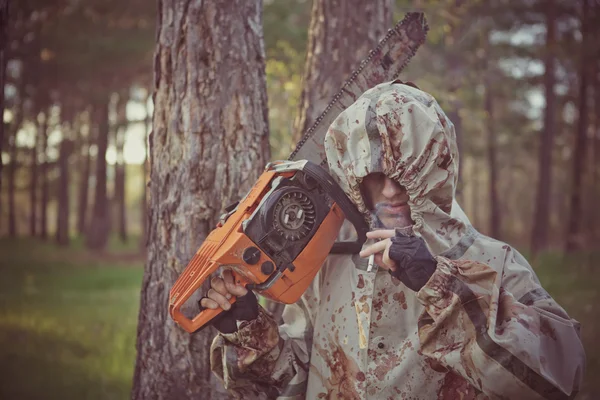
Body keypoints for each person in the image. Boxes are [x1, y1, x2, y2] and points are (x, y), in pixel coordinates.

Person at [200, 81, 585, 399]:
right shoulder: (328, 265)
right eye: (373, 176)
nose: (388, 191)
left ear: (435, 167)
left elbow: (559, 378)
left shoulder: (494, 261)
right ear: (354, 179)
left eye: (403, 173)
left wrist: (440, 284)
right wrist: (250, 329)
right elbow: (293, 383)